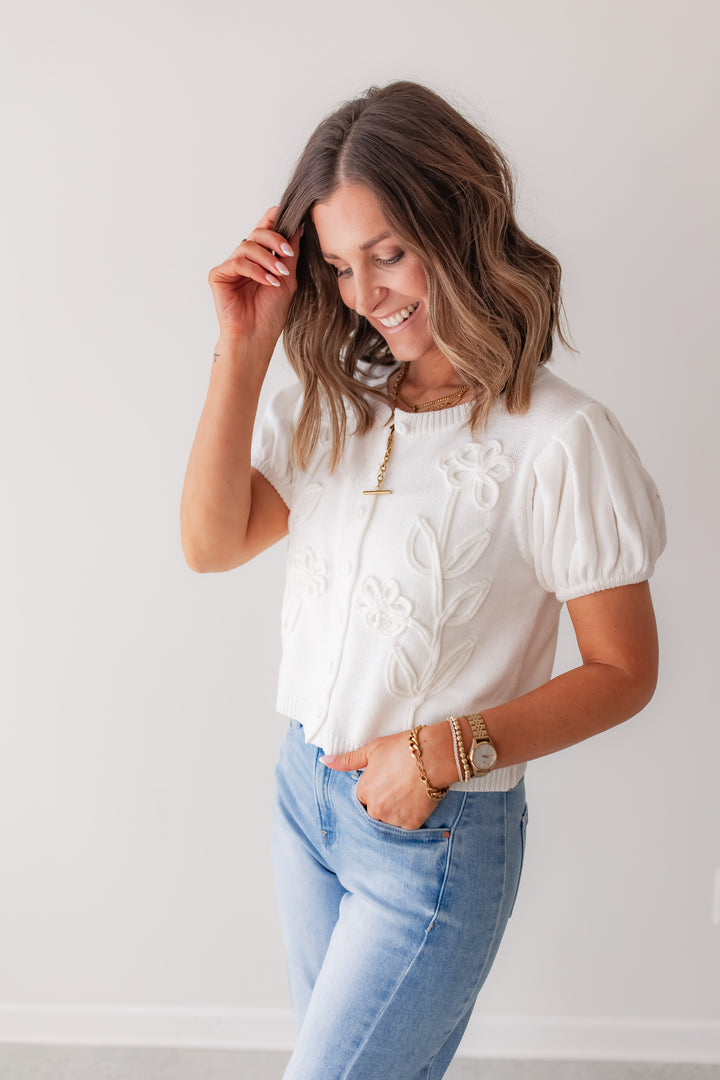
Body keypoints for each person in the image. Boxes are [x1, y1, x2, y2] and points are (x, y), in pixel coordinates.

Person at [180, 81, 665, 1080]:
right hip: (305, 802)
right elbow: (211, 543)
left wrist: (442, 751)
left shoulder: (559, 438)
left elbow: (624, 671)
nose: (365, 294)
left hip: (433, 831)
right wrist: (243, 347)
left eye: (390, 252)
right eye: (338, 266)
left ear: (457, 222)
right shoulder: (336, 405)